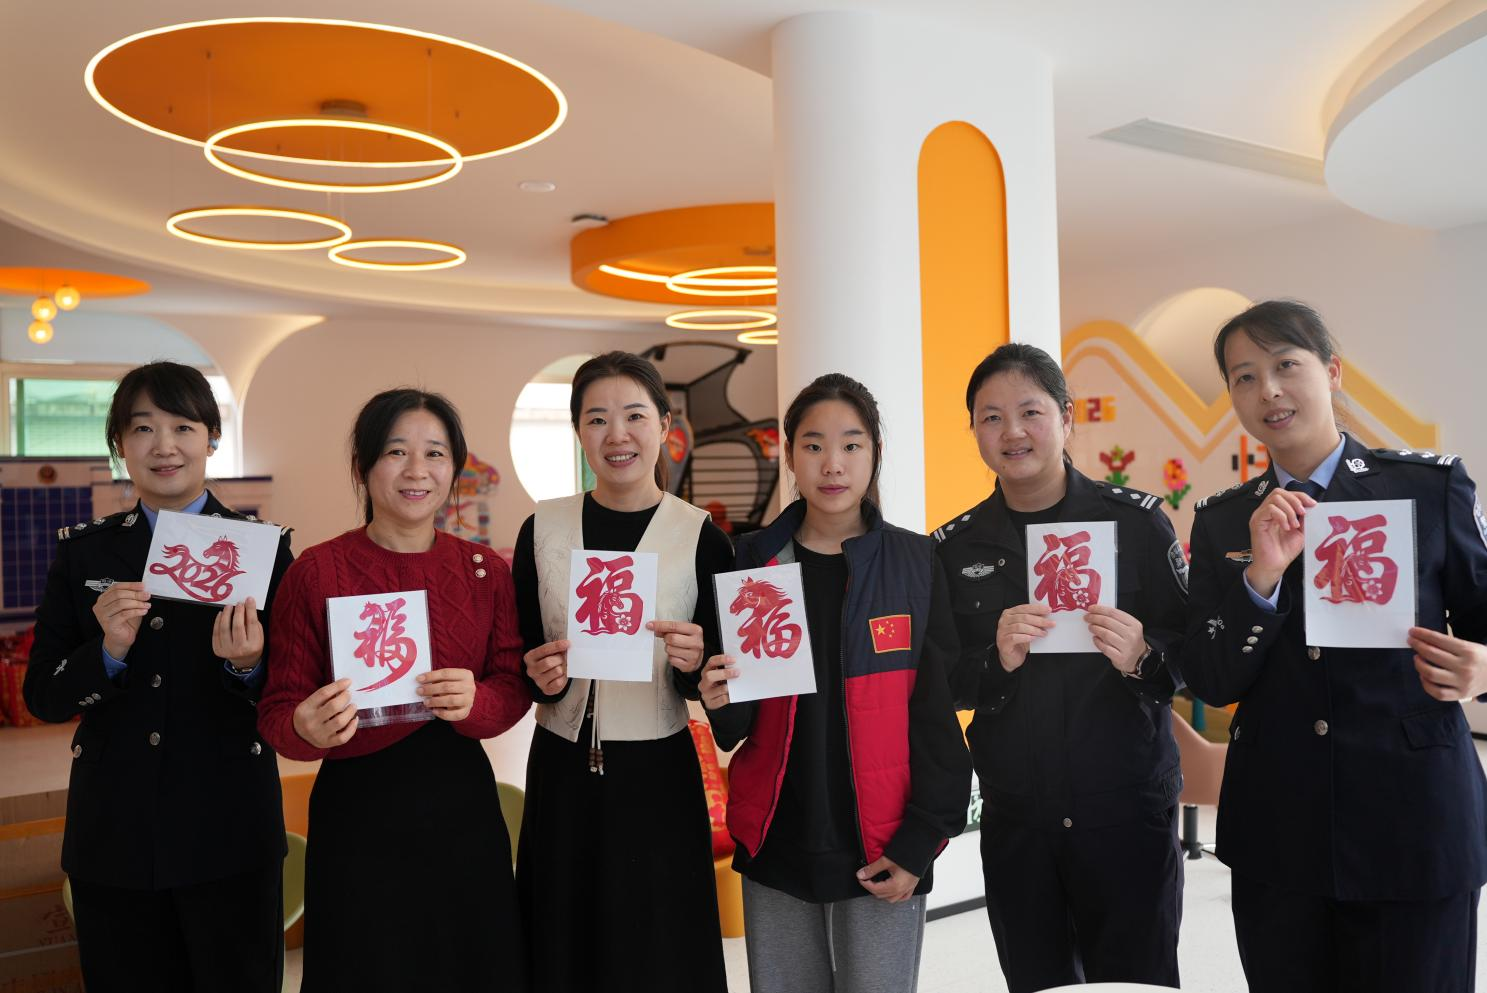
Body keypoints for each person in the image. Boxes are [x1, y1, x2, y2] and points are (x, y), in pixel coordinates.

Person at [1180, 300, 1487, 993]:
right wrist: (1259, 577)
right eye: (1244, 377)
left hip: (1414, 819)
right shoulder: (1224, 520)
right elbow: (1209, 677)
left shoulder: (1426, 487)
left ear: (1332, 371)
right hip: (1278, 824)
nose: (1268, 391)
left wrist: (1484, 668)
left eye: (1285, 365)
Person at [24, 361, 294, 993]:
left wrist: (249, 665)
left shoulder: (263, 549)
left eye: (183, 427)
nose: (164, 446)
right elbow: (43, 696)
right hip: (114, 833)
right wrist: (107, 652)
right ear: (120, 444)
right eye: (143, 428)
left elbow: (294, 694)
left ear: (212, 439)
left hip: (230, 828)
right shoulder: (84, 552)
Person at [701, 373, 971, 993]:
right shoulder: (752, 561)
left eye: (851, 445)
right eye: (814, 445)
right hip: (777, 835)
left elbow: (936, 720)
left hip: (883, 842)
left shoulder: (915, 563)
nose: (833, 464)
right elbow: (738, 721)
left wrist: (920, 841)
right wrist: (719, 699)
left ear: (875, 454)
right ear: (789, 454)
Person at [257, 388, 531, 992]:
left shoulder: (485, 571)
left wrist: (478, 702)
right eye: (396, 452)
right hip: (359, 815)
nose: (417, 470)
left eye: (435, 453)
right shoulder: (315, 572)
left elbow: (513, 686)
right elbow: (276, 709)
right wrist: (304, 727)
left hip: (461, 807)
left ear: (454, 469)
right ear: (363, 466)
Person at [932, 344, 1187, 992]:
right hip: (1019, 818)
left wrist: (1141, 655)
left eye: (1030, 411)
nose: (1011, 431)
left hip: (1126, 810)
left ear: (1066, 417)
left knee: (1137, 983)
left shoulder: (1136, 522)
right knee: (1036, 981)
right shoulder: (954, 547)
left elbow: (1190, 657)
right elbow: (944, 680)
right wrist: (997, 659)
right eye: (991, 417)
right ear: (973, 430)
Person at [512, 351, 732, 993]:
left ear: (664, 425)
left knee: (657, 949)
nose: (617, 435)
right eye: (597, 418)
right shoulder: (541, 528)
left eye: (635, 416)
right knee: (564, 942)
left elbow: (722, 672)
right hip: (562, 769)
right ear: (578, 432)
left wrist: (694, 664)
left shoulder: (703, 537)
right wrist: (536, 674)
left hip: (658, 773)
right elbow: (519, 651)